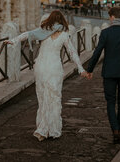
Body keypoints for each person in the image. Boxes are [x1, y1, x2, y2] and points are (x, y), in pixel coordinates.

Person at [7, 10, 86, 141]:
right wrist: (80, 68)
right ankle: (52, 129)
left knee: (43, 98)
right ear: (62, 21)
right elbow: (72, 53)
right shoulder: (64, 35)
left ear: (50, 20)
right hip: (54, 68)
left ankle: (43, 129)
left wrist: (13, 40)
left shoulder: (43, 32)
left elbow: (27, 34)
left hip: (42, 66)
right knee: (54, 97)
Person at [84, 7, 120, 144]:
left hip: (109, 73)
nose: (109, 19)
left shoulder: (105, 33)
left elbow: (97, 52)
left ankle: (115, 130)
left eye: (109, 17)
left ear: (113, 17)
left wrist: (89, 69)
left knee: (110, 102)